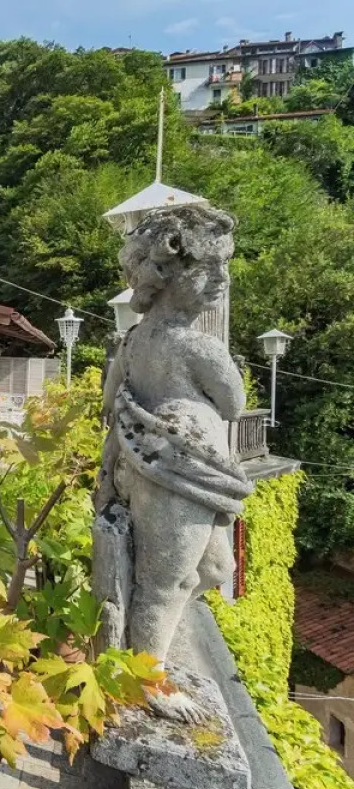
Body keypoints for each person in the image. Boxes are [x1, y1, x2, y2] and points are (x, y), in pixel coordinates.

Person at [95, 206, 254, 723]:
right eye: (207, 268)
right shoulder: (197, 346)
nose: (221, 280)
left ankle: (151, 652)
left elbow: (108, 398)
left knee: (214, 569)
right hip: (173, 474)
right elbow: (233, 403)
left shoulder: (132, 341)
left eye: (224, 266)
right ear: (164, 276)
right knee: (163, 581)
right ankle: (147, 679)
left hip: (184, 469)